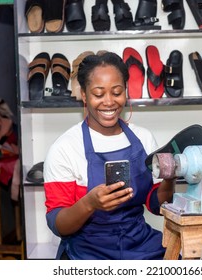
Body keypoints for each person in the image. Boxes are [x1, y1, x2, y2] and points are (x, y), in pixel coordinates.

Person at [43, 51, 176, 260]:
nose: (109, 102)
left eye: (116, 92)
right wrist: (90, 204)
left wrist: (170, 178)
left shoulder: (144, 138)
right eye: (98, 94)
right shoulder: (65, 148)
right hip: (88, 250)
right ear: (84, 95)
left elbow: (157, 205)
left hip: (139, 243)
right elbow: (57, 224)